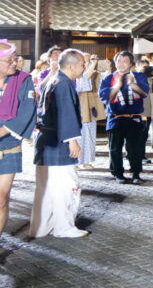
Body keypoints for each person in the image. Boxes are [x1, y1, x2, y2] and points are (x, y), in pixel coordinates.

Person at [29, 49, 88, 239]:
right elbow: (66, 114)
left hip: (45, 141)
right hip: (59, 141)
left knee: (46, 188)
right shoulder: (64, 84)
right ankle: (64, 226)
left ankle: (40, 227)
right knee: (67, 186)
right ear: (71, 65)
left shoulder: (53, 80)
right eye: (82, 64)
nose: (84, 67)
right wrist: (73, 141)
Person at [0, 41, 36, 235]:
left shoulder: (23, 80)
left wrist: (2, 132)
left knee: (2, 199)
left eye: (16, 59)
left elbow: (27, 112)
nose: (15, 63)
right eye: (9, 60)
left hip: (8, 145)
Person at [99, 51, 149, 184]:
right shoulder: (108, 78)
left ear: (131, 63)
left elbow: (144, 93)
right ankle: (118, 174)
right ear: (115, 63)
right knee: (115, 148)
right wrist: (116, 87)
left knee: (135, 148)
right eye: (119, 61)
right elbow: (105, 98)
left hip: (134, 117)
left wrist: (133, 84)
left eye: (125, 61)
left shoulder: (139, 76)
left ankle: (136, 173)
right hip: (115, 117)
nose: (121, 64)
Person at [75, 54, 100, 168]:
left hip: (90, 105)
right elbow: (82, 83)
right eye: (84, 60)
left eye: (89, 60)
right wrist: (93, 64)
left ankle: (86, 161)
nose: (87, 62)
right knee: (78, 135)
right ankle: (75, 161)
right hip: (78, 106)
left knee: (90, 133)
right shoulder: (75, 75)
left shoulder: (94, 72)